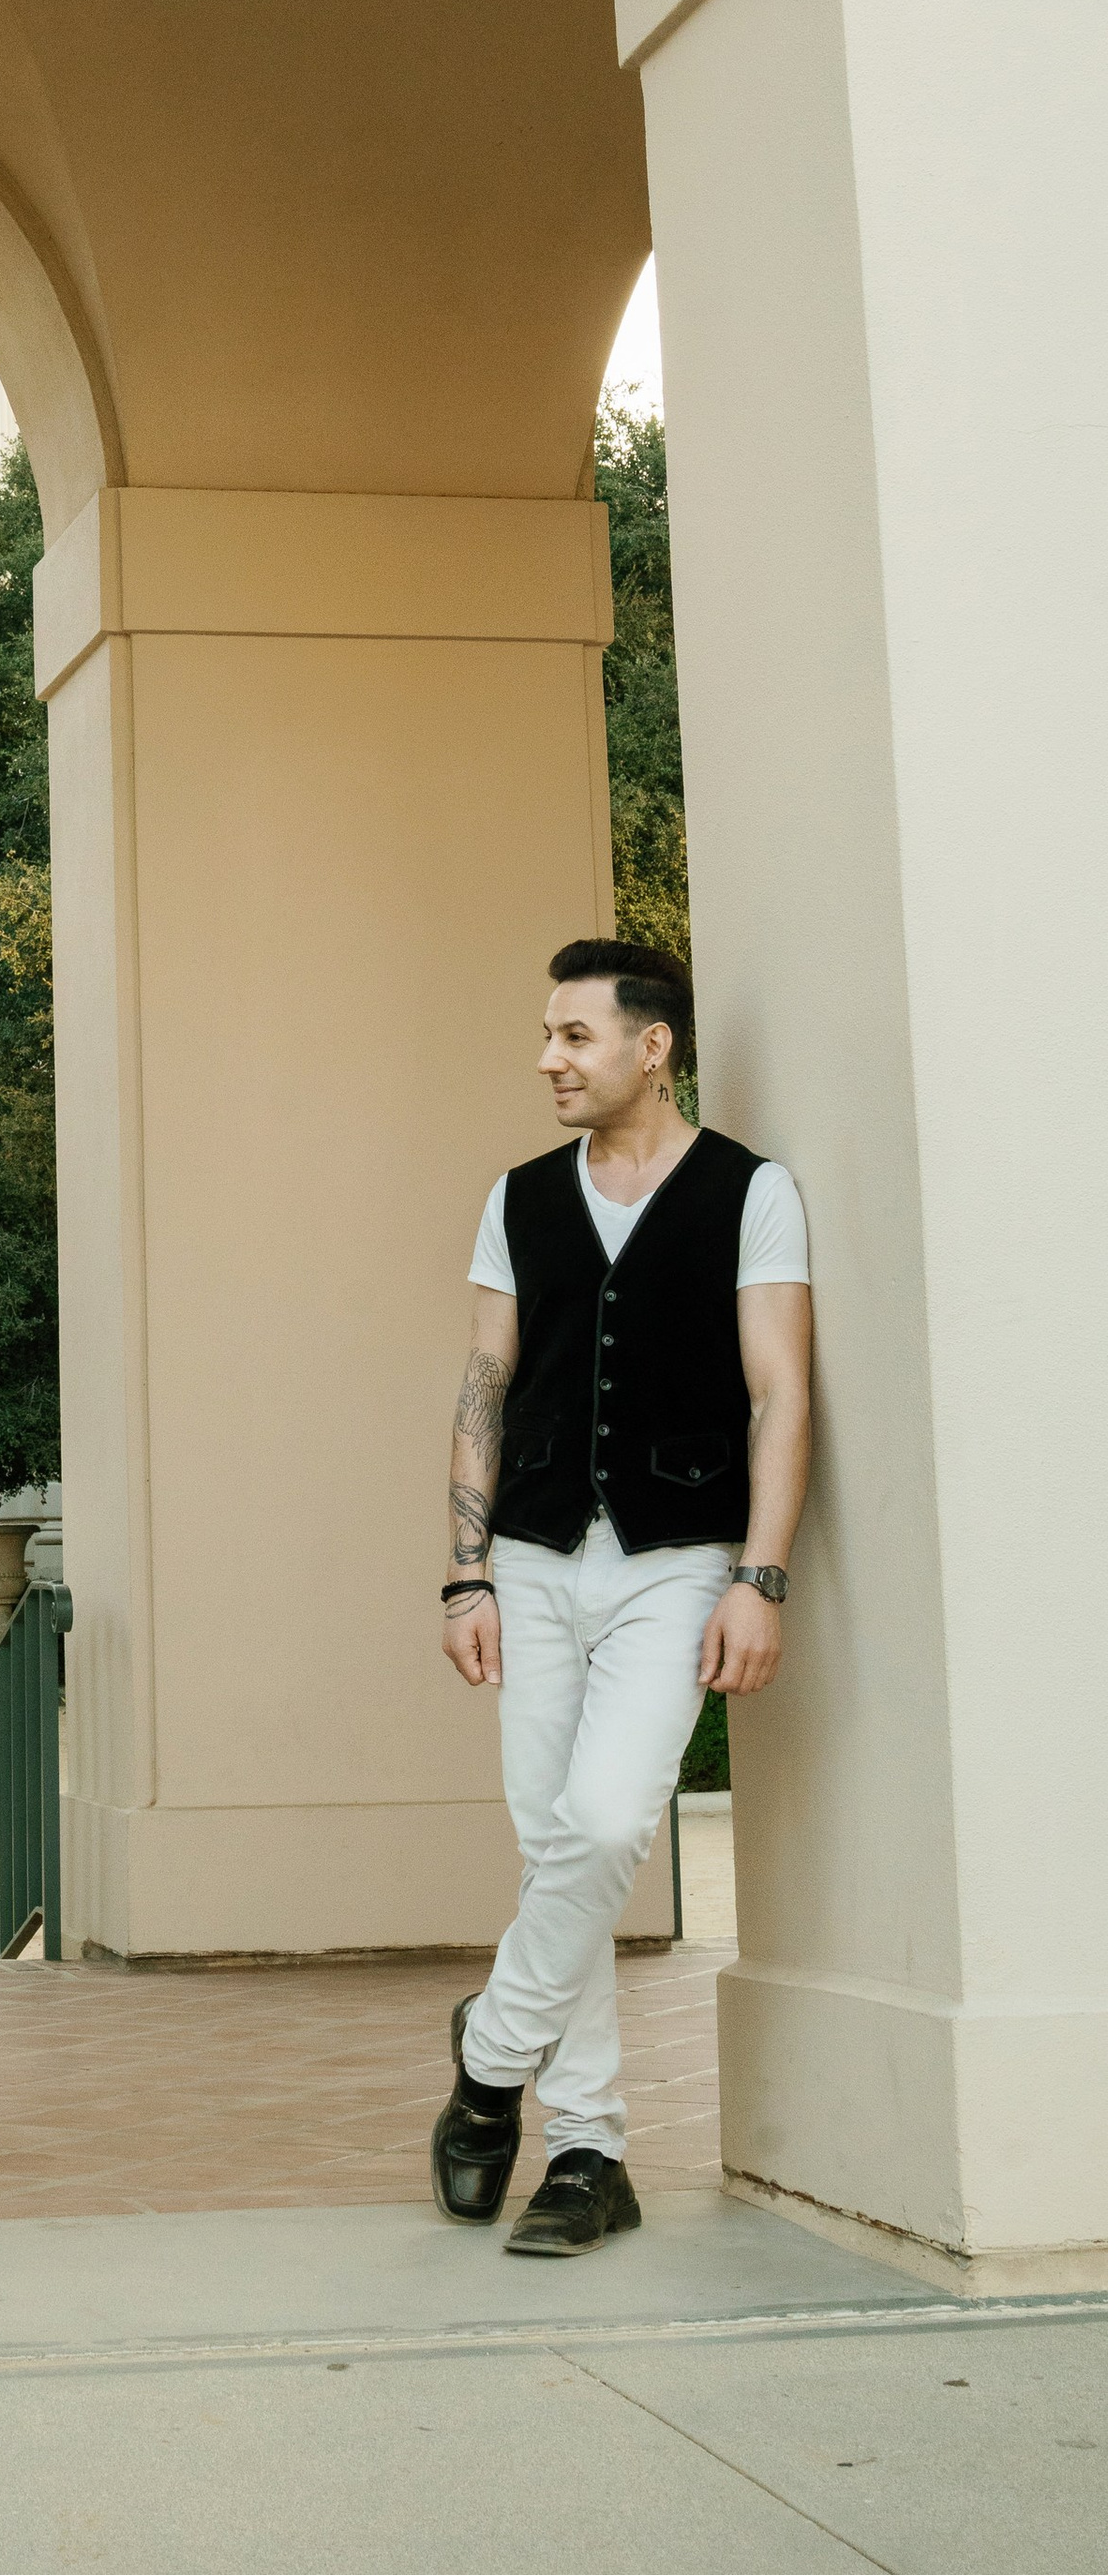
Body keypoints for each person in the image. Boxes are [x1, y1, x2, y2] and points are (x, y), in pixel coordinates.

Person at [430, 939, 811, 2256]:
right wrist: (465, 1570)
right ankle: (588, 2155)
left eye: (575, 1036)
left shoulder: (752, 1195)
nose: (550, 1057)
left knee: (600, 1830)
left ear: (653, 1047)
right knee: (556, 1854)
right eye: (547, 1034)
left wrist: (760, 1574)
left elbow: (782, 1394)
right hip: (531, 1557)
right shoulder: (521, 1197)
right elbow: (484, 1385)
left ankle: (490, 2059)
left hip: (679, 1560)